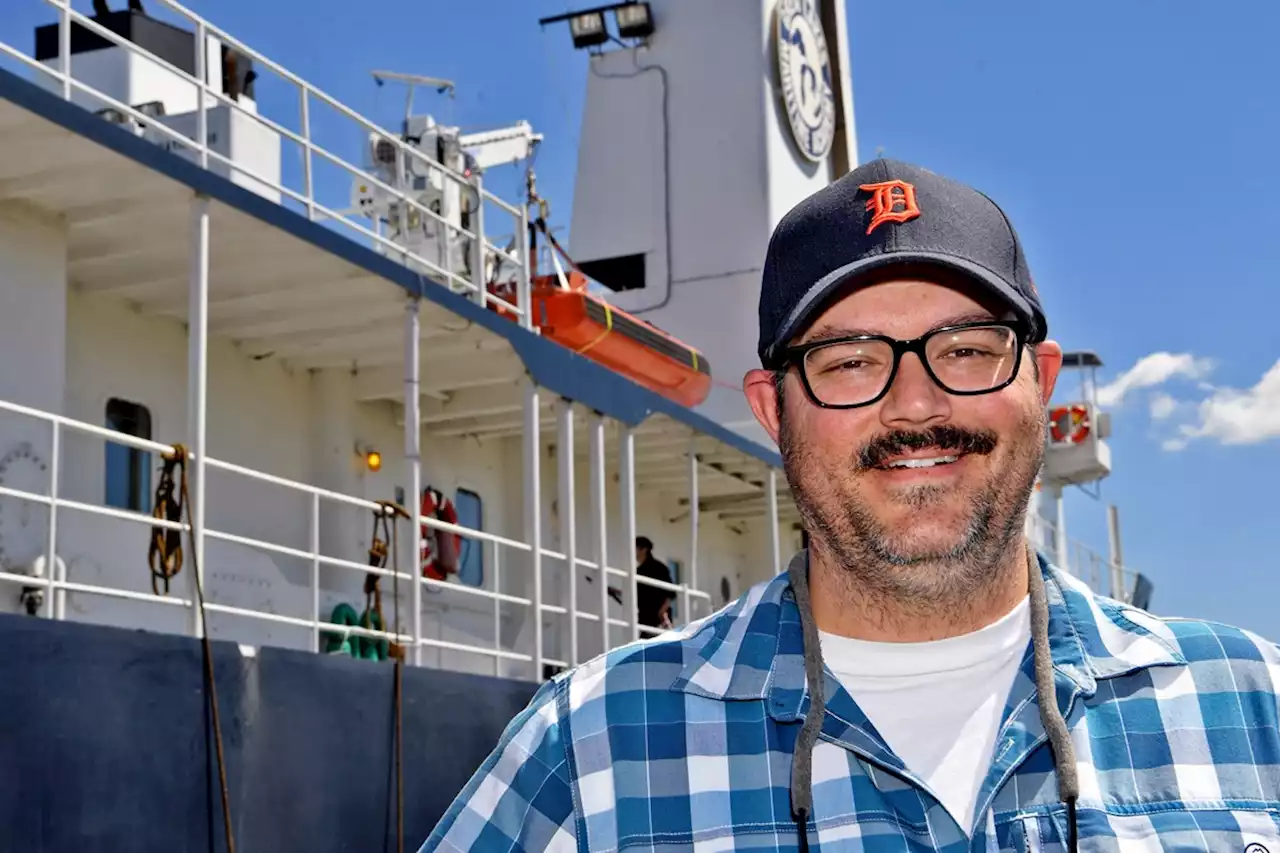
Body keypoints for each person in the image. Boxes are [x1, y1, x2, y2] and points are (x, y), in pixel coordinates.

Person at [418, 160, 1280, 852]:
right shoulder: (590, 753)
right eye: (850, 361)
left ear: (1040, 382)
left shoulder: (1256, 705)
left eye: (969, 349)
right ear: (771, 409)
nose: (915, 405)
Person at [634, 535, 676, 630]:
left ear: (644, 549)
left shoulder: (658, 568)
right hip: (645, 618)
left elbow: (671, 593)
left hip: (659, 620)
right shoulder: (639, 571)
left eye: (635, 548)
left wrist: (662, 612)